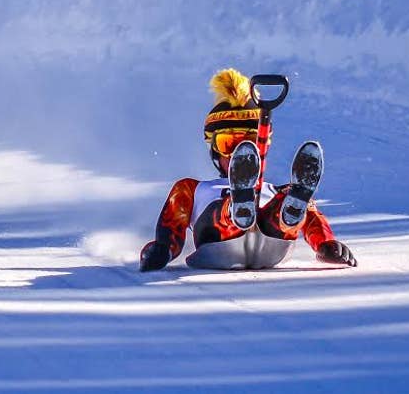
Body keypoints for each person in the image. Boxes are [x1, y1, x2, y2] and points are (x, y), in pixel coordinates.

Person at [139, 68, 357, 272]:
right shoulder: (194, 189)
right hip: (217, 239)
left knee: (292, 195)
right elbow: (173, 222)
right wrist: (163, 249)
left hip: (271, 242)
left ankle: (286, 215)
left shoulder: (273, 190)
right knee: (218, 208)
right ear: (214, 150)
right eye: (228, 144)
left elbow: (313, 219)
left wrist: (326, 244)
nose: (236, 155)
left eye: (247, 145)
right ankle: (237, 208)